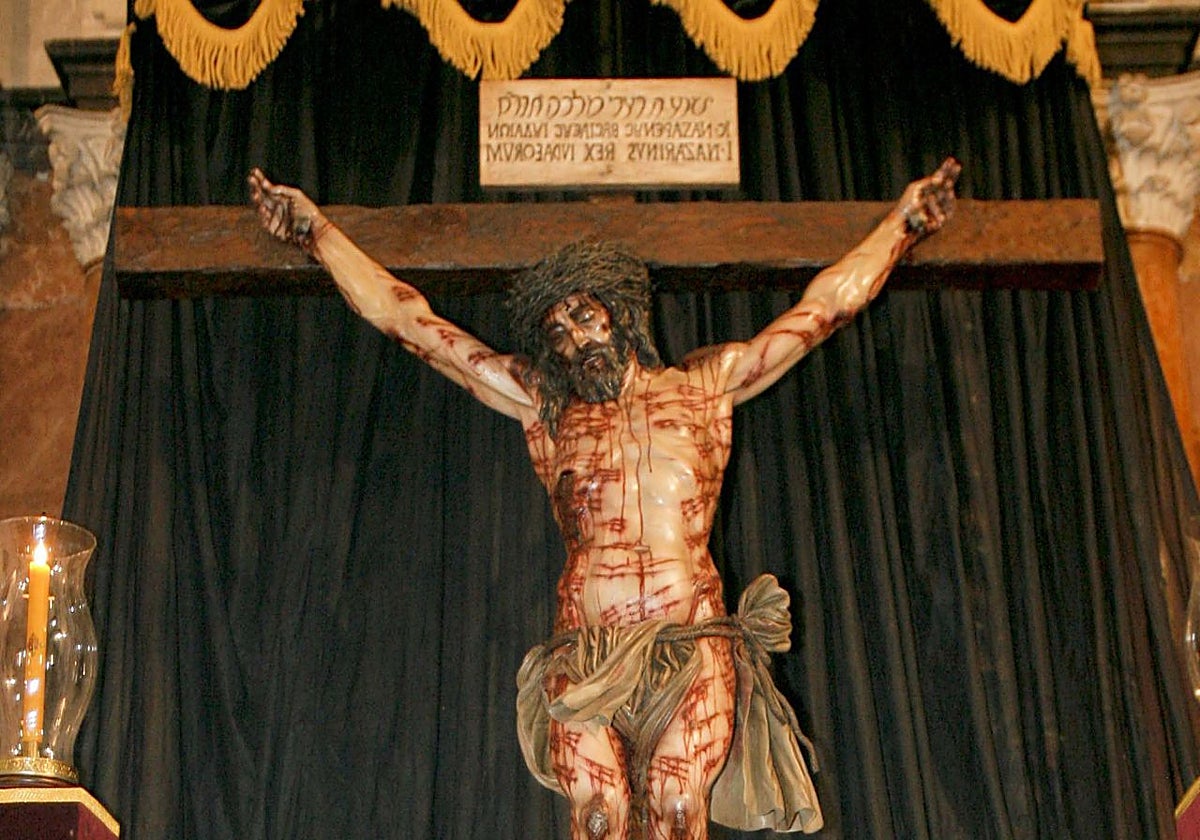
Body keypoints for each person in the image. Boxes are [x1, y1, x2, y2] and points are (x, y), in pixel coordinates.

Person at [248, 159, 959, 839]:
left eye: (585, 318)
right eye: (556, 332)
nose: (574, 340)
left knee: (679, 811)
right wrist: (316, 234)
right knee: (598, 815)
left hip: (690, 638)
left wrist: (903, 223)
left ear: (619, 315)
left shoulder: (705, 387)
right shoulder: (546, 412)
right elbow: (412, 324)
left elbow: (825, 307)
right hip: (587, 649)